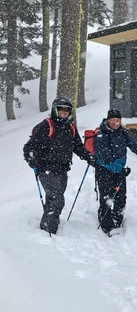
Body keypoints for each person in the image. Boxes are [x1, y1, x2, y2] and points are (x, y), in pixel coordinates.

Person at [23, 97, 97, 234]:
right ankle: (51, 231)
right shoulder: (46, 125)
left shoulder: (70, 128)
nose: (64, 112)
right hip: (46, 168)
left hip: (62, 169)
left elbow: (78, 147)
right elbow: (29, 146)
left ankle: (45, 227)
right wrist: (31, 157)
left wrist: (89, 158)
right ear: (55, 110)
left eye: (67, 110)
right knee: (57, 200)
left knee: (53, 199)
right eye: (61, 109)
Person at [94, 109, 137, 234]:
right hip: (104, 171)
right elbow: (104, 158)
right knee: (106, 198)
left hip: (119, 171)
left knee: (121, 198)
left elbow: (132, 145)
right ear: (108, 120)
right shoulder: (101, 134)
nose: (116, 123)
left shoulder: (122, 132)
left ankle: (117, 220)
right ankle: (107, 226)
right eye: (113, 120)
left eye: (118, 120)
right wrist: (119, 169)